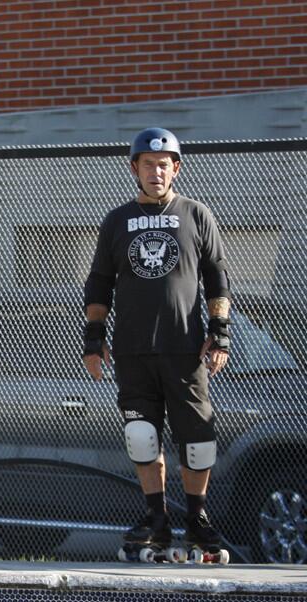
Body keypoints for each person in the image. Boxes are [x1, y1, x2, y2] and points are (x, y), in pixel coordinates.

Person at [83, 127, 232, 554]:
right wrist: (94, 340)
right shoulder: (117, 220)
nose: (156, 171)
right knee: (142, 435)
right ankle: (157, 518)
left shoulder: (196, 214)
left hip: (185, 349)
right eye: (147, 164)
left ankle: (197, 519)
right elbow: (99, 284)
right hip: (132, 349)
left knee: (199, 438)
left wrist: (219, 332)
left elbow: (218, 278)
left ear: (176, 168)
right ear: (134, 168)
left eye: (164, 164)